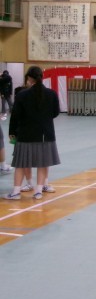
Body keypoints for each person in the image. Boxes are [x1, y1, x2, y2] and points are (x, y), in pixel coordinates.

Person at [3, 66, 60, 200]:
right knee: (42, 163)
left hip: (25, 135)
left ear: (29, 78)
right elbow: (55, 113)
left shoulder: (22, 95)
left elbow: (15, 116)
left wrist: (12, 132)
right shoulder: (52, 94)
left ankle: (16, 192)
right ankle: (38, 191)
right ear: (42, 77)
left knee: (21, 164)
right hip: (45, 134)